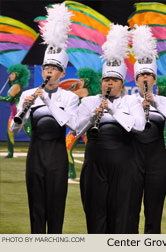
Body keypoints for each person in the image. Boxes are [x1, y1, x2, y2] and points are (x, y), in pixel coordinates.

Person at [10, 3, 78, 234]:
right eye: (45, 67)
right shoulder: (29, 94)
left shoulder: (69, 97)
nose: (48, 71)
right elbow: (15, 128)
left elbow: (70, 124)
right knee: (36, 208)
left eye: (53, 68)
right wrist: (22, 112)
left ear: (62, 73)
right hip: (35, 156)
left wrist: (48, 101)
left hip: (58, 156)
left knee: (56, 207)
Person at [77, 23, 145, 233]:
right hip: (94, 164)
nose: (109, 83)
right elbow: (75, 129)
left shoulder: (131, 102)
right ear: (101, 82)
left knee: (122, 214)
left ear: (122, 84)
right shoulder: (89, 102)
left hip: (124, 165)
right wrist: (92, 116)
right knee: (95, 212)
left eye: (114, 80)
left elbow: (140, 126)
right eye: (106, 79)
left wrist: (113, 111)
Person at [130, 25, 166, 234]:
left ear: (154, 79)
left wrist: (156, 104)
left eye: (148, 75)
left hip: (158, 162)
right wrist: (139, 109)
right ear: (136, 80)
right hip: (133, 162)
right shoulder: (129, 101)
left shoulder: (164, 100)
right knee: (131, 211)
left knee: (154, 213)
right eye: (141, 75)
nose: (145, 78)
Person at [65, 67, 100, 179]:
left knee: (67, 148)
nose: (79, 82)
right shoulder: (94, 93)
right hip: (89, 126)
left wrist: (71, 89)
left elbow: (66, 98)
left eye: (81, 80)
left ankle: (71, 172)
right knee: (92, 151)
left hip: (80, 126)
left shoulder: (83, 91)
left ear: (87, 81)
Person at [0, 64, 31, 158]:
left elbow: (9, 98)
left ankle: (41, 148)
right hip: (13, 113)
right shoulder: (13, 85)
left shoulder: (17, 86)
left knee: (30, 133)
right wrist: (9, 82)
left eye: (13, 74)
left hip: (20, 113)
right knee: (9, 133)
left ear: (18, 75)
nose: (10, 75)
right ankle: (10, 153)